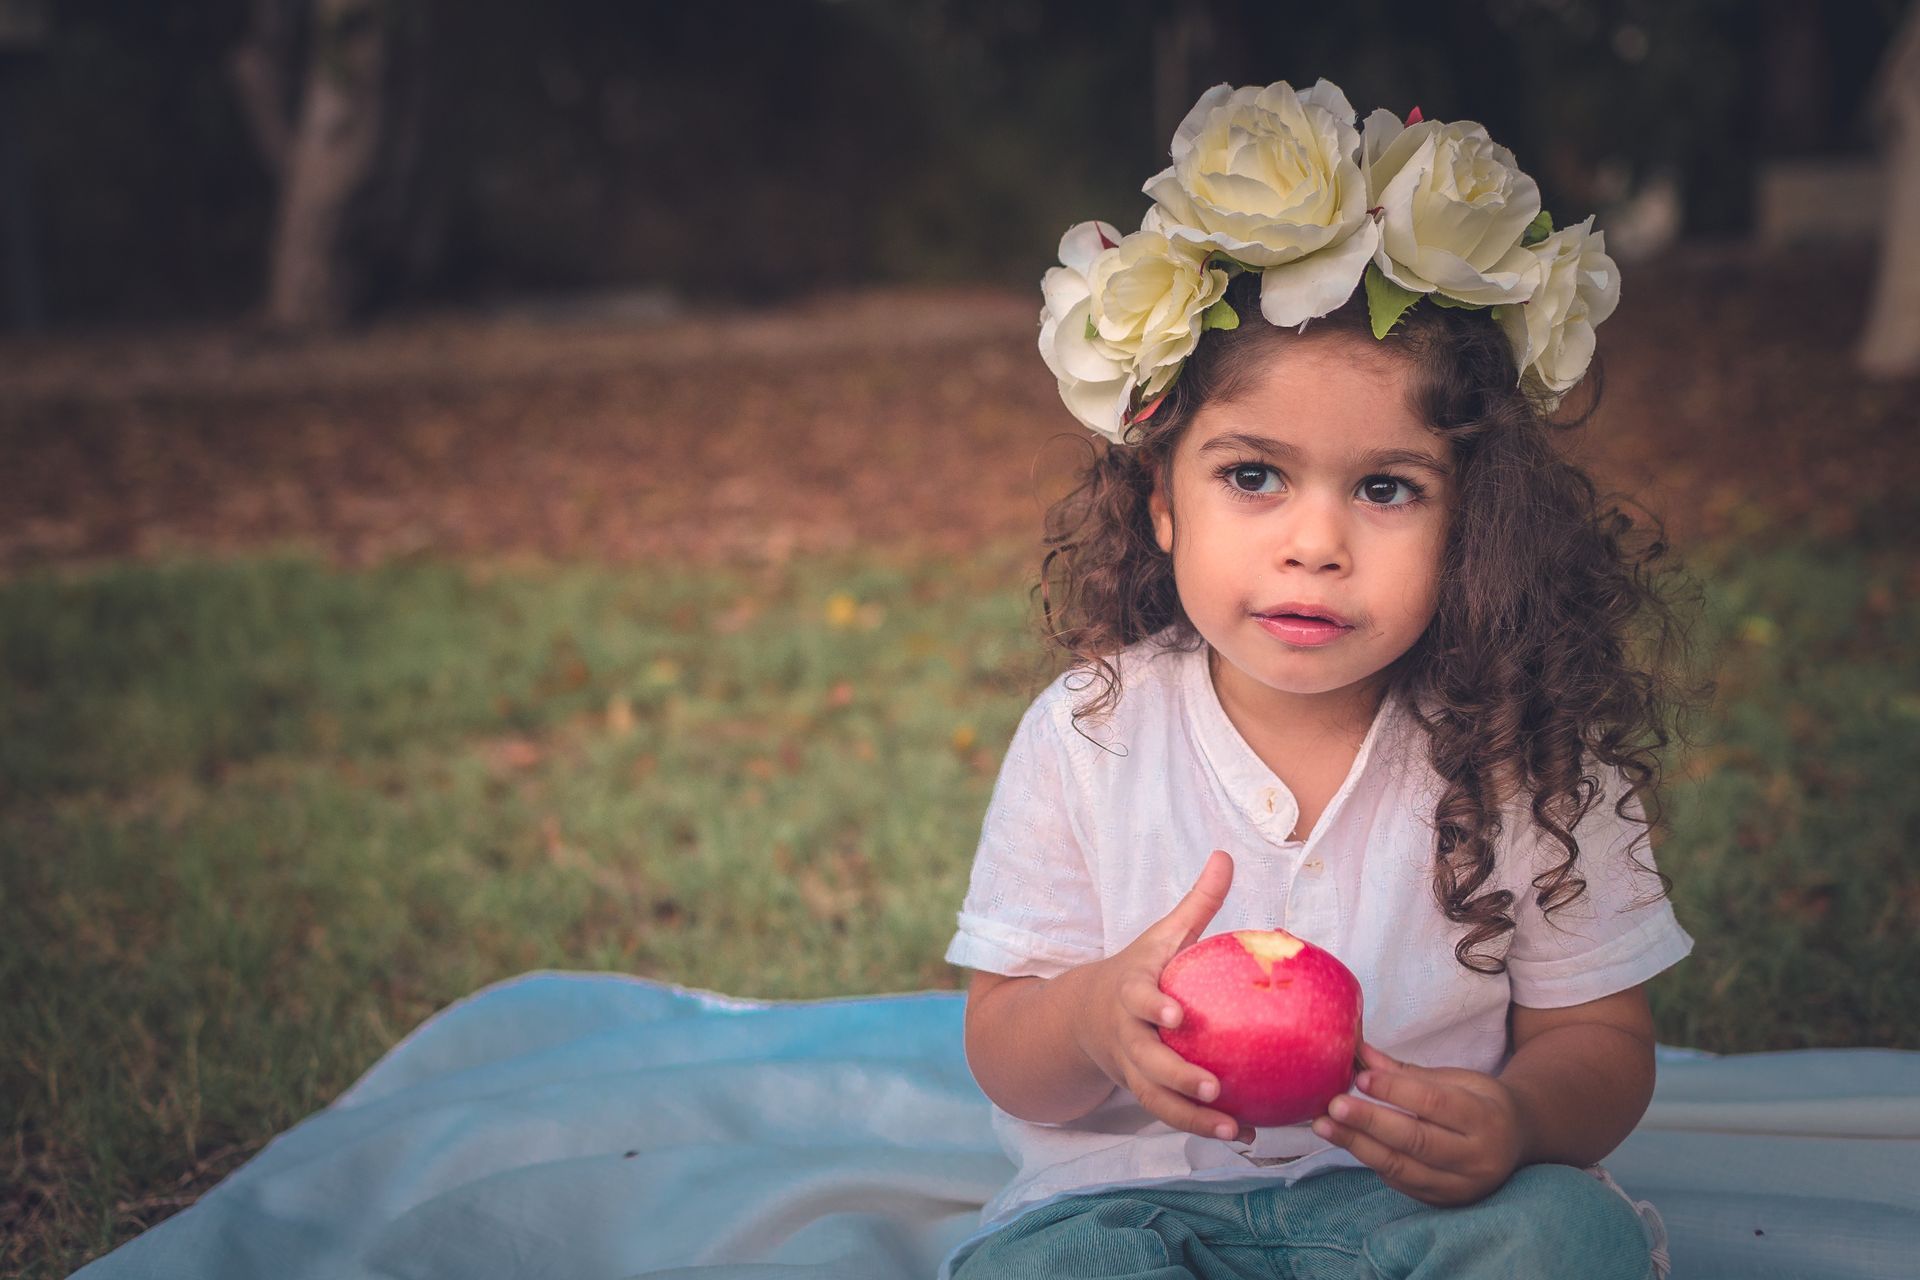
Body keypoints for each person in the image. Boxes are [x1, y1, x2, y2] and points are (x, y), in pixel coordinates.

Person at [941, 78, 1711, 1280]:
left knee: (1572, 1237)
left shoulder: (1531, 748)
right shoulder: (1090, 731)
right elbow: (1003, 1045)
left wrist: (1517, 1120)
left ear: (1473, 524)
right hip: (1130, 1203)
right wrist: (1095, 1013)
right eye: (1254, 476)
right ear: (1159, 502)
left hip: (1418, 1207)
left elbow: (1600, 1039)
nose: (1315, 542)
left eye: (1386, 487)